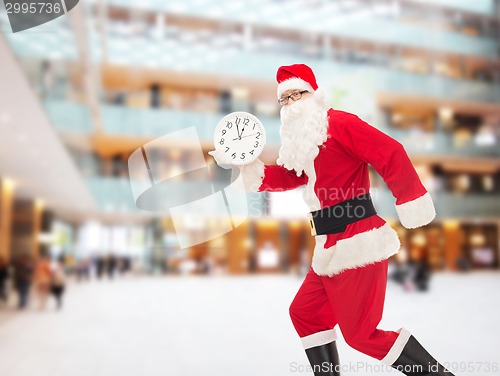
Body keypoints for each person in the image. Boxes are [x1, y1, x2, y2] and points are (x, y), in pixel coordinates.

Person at [210, 64, 455, 376]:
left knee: (362, 336)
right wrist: (243, 164)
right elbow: (287, 176)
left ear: (312, 94)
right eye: (283, 100)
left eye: (295, 94)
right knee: (305, 313)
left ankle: (439, 374)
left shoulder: (340, 124)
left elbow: (390, 151)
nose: (289, 105)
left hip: (358, 241)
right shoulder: (305, 144)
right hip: (328, 245)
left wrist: (410, 199)